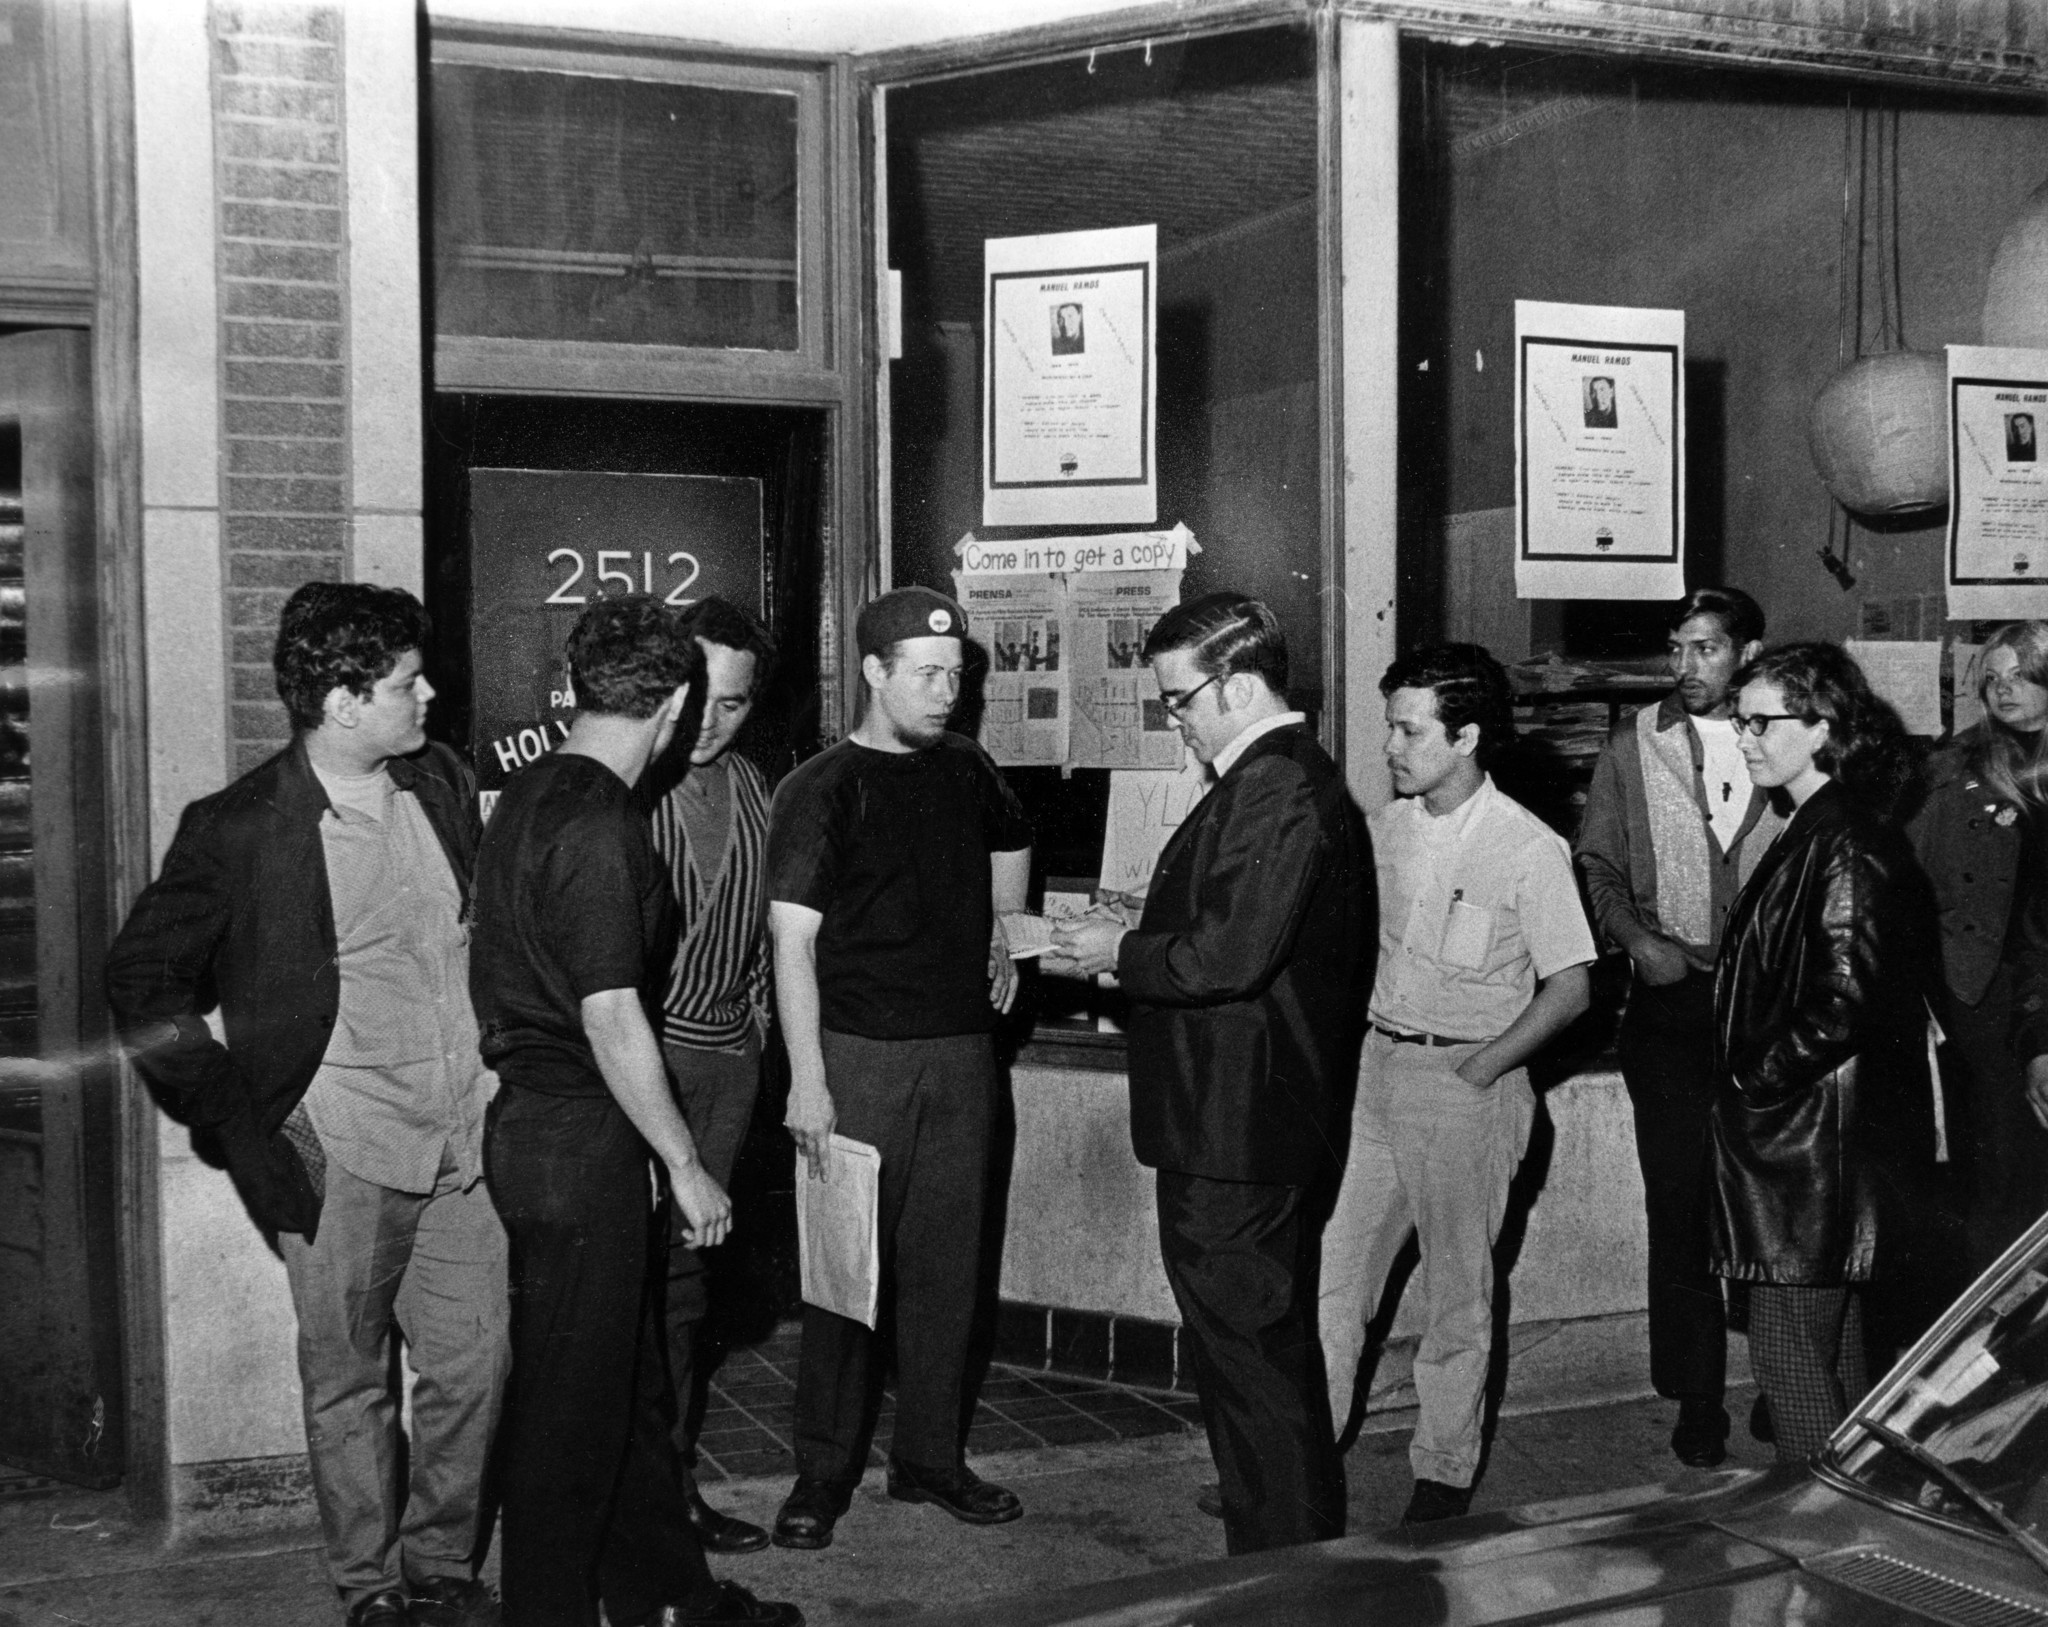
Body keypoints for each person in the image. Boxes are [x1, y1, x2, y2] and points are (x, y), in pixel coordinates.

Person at [105, 583, 506, 1627]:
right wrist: (238, 1121)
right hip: (340, 1153)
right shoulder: (239, 827)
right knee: (350, 1387)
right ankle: (370, 1591)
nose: (428, 693)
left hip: (462, 1143)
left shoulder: (439, 782)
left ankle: (441, 1568)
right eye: (405, 683)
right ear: (339, 701)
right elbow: (141, 986)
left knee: (476, 1368)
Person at [472, 595, 800, 1627]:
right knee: (572, 1409)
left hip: (543, 1130)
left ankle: (669, 1593)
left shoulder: (529, 793)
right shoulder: (605, 825)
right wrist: (687, 1163)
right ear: (670, 705)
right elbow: (613, 1014)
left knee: (619, 1387)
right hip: (581, 1139)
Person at [1047, 593, 1372, 1555]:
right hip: (1238, 1121)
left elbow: (1227, 956)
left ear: (1236, 684)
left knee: (1252, 1362)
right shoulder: (1273, 780)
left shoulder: (1275, 784)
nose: (1174, 718)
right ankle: (1275, 1553)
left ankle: (1286, 1579)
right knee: (1251, 1357)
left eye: (1179, 699)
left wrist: (1118, 949)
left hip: (1238, 1128)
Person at [767, 585, 1033, 1551]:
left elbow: (1014, 838)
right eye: (927, 675)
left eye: (956, 677)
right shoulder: (821, 787)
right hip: (857, 1057)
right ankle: (822, 1472)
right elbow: (790, 944)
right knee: (846, 1275)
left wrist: (1005, 927)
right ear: (874, 672)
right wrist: (808, 1080)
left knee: (948, 1270)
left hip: (961, 1056)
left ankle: (929, 1458)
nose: (946, 694)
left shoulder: (967, 766)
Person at [1318, 643, 1594, 1523]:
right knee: (1333, 1277)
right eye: (1391, 725)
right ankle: (1302, 1453)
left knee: (1457, 1293)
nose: (1391, 745)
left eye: (1410, 728)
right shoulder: (1388, 827)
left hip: (1469, 1083)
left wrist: (1483, 1062)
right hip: (1379, 1071)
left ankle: (1441, 1474)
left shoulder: (1527, 846)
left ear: (1466, 735)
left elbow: (1573, 986)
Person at [1574, 587, 1782, 1467]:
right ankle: (1698, 1397)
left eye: (1706, 648)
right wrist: (1636, 942)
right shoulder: (1635, 746)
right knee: (1682, 1203)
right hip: (1672, 1004)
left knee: (1778, 1204)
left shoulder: (1788, 736)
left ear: (1747, 652)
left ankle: (1785, 1380)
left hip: (1770, 1008)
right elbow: (1597, 860)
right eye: (1678, 648)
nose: (1686, 666)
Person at [1710, 642, 1932, 1464]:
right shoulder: (1818, 824)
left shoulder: (1839, 838)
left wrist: (1749, 1076)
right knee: (1831, 1352)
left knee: (1789, 1353)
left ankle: (1819, 1524)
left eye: (1763, 721)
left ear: (1823, 725)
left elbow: (1844, 1002)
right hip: (1811, 1139)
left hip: (1809, 1148)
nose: (1747, 738)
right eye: (1742, 722)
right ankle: (1855, 1528)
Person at [647, 598, 780, 1555]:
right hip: (637, 1068)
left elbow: (775, 935)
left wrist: (761, 1038)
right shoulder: (621, 790)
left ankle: (671, 1491)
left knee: (688, 1292)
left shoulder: (755, 791)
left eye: (733, 703)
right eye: (697, 694)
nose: (710, 720)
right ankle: (628, 1496)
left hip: (726, 1068)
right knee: (629, 1288)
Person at [1907, 622, 2048, 1274]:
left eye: (2018, 672)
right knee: (2006, 1164)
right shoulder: (1956, 765)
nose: (2003, 688)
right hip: (1992, 990)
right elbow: (1913, 883)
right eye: (1991, 677)